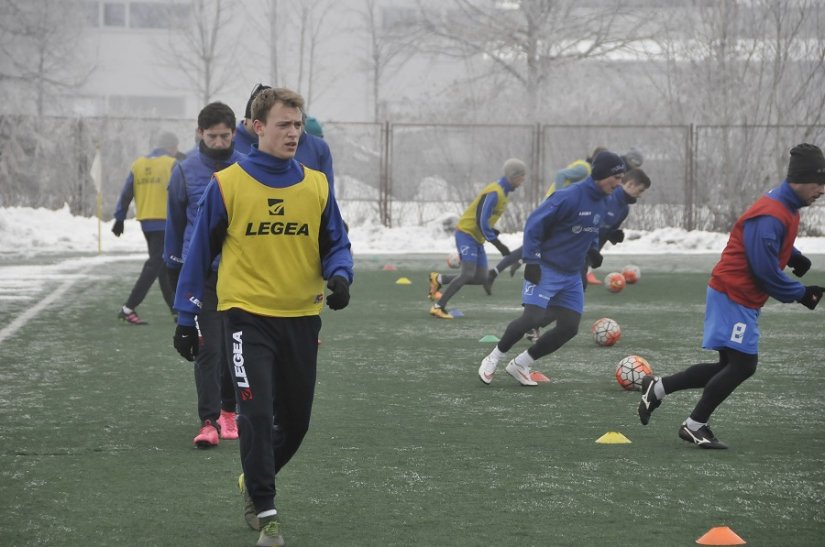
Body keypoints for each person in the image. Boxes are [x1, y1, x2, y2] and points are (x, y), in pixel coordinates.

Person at [171, 87, 353, 546]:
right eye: (283, 125)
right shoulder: (228, 184)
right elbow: (199, 254)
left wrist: (340, 275)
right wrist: (185, 316)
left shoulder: (316, 184)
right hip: (246, 317)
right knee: (254, 411)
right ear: (257, 128)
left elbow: (335, 241)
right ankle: (265, 508)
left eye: (297, 124)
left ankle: (253, 477)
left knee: (296, 422)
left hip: (301, 317)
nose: (293, 133)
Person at [637, 143, 825, 449]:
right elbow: (764, 270)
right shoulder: (772, 213)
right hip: (733, 293)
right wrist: (801, 293)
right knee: (742, 365)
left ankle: (658, 388)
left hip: (739, 294)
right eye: (819, 183)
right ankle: (694, 425)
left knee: (727, 365)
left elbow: (769, 244)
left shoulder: (786, 206)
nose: (822, 190)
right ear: (801, 179)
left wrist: (793, 255)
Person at [477, 151, 627, 386]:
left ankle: (521, 364)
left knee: (569, 327)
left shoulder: (606, 201)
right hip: (546, 267)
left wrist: (595, 248)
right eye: (616, 178)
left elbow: (590, 230)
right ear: (601, 175)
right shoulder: (567, 196)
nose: (619, 184)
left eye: (621, 179)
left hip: (572, 274)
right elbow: (534, 225)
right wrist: (533, 260)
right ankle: (493, 357)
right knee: (532, 318)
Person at [164, 102, 245, 448]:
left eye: (225, 135)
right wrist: (174, 267)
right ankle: (209, 420)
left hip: (242, 274)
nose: (219, 141)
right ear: (200, 133)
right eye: (212, 136)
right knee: (209, 348)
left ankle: (231, 412)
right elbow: (176, 222)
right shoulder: (184, 172)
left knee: (237, 348)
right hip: (205, 275)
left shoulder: (246, 166)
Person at [483, 146, 636, 294]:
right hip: (559, 207)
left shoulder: (596, 183)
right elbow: (561, 175)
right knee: (538, 243)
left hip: (568, 208)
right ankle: (506, 269)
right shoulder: (584, 169)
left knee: (536, 246)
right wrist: (562, 197)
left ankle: (501, 270)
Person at [427, 158, 526, 319]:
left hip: (476, 238)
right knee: (467, 274)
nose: (522, 181)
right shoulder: (495, 192)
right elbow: (481, 220)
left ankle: (439, 279)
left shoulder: (503, 193)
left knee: (481, 277)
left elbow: (483, 219)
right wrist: (498, 244)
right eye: (521, 177)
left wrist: (492, 231)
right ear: (513, 176)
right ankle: (438, 307)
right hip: (466, 234)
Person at [111, 131, 178, 325]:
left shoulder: (138, 164)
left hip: (146, 223)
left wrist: (119, 218)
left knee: (162, 267)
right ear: (172, 147)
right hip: (166, 222)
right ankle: (128, 307)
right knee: (156, 265)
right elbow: (182, 192)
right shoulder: (171, 164)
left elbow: (126, 193)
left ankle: (176, 311)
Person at [234, 83, 270, 155]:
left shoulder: (281, 143)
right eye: (257, 121)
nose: (261, 127)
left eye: (268, 122)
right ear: (246, 120)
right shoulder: (228, 140)